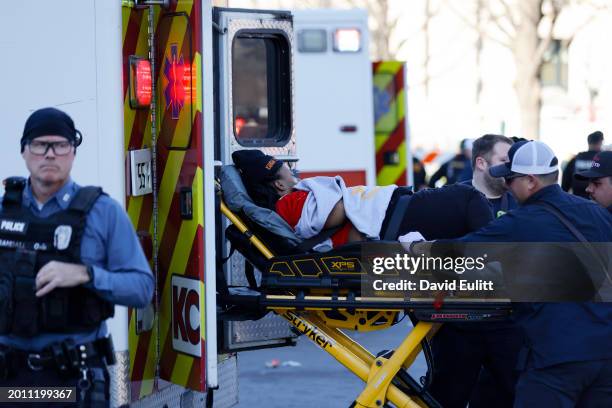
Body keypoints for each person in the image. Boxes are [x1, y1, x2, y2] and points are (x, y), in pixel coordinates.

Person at [409, 140, 612, 407]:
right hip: (605, 357)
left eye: (510, 178)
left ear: (530, 181)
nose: (506, 185)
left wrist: (415, 246)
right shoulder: (597, 214)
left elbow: (459, 254)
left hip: (555, 361)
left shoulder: (520, 223)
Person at [0, 108, 154, 406]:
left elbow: (142, 289)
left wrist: (86, 275)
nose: (50, 154)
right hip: (11, 382)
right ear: (23, 151)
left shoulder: (103, 212)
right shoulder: (4, 214)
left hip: (73, 379)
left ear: (73, 152)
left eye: (60, 145)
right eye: (40, 145)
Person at [231, 149, 493, 250]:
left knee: (466, 209)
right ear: (278, 184)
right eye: (285, 169)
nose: (292, 171)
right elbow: (334, 214)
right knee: (467, 196)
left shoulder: (292, 201)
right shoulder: (288, 203)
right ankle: (506, 259)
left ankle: (500, 258)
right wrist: (346, 201)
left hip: (394, 215)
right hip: (391, 219)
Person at [431, 134, 523, 408]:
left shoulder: (519, 203)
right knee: (446, 398)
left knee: (508, 396)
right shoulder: (448, 201)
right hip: (457, 325)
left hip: (506, 323)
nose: (509, 168)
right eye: (503, 160)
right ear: (481, 163)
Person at [561, 130, 604, 198]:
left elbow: (565, 181)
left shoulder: (576, 158)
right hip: (597, 200)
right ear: (600, 142)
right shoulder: (603, 159)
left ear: (589, 142)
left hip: (577, 199)